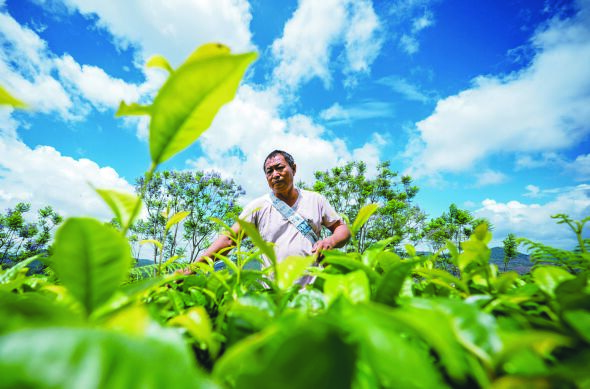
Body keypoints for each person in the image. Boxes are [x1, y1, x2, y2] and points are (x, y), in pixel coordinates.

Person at [189, 150, 351, 283]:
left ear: (293, 169)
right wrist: (191, 270)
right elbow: (229, 240)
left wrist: (330, 241)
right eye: (269, 171)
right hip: (275, 293)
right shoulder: (258, 206)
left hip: (313, 291)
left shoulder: (315, 199)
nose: (275, 174)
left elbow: (342, 229)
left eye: (280, 168)